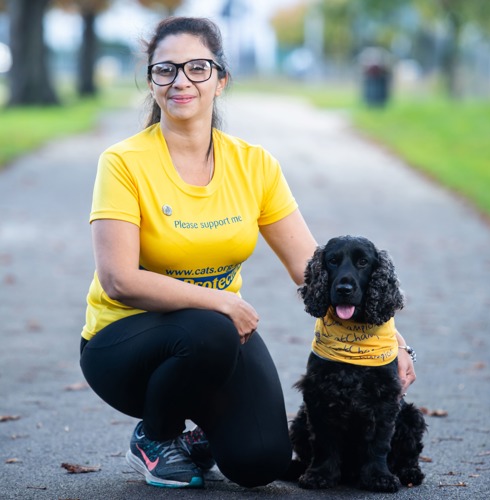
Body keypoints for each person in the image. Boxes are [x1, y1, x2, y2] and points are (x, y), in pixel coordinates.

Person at [79, 16, 416, 490]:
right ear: (151, 79)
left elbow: (313, 267)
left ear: (221, 79)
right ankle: (156, 437)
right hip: (123, 344)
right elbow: (119, 280)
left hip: (214, 336)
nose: (181, 81)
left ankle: (201, 438)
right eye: (165, 69)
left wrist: (392, 339)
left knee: (263, 461)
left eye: (197, 68)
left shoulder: (254, 164)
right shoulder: (122, 162)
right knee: (213, 330)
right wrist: (220, 300)